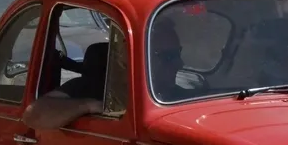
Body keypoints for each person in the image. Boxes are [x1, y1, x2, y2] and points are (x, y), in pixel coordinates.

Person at [22, 20, 184, 129]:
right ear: (136, 57)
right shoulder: (94, 88)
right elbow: (33, 115)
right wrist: (88, 106)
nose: (179, 64)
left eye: (178, 54)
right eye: (168, 57)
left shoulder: (179, 96)